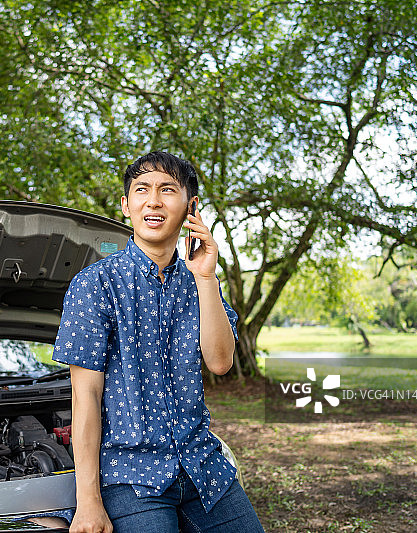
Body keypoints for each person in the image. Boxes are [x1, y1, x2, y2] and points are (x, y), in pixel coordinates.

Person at [53, 152, 264, 533]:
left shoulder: (201, 284)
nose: (153, 201)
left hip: (203, 466)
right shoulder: (95, 284)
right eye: (141, 190)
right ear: (126, 205)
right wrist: (88, 502)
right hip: (131, 477)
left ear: (191, 206)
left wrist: (206, 278)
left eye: (168, 190)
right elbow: (86, 398)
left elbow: (220, 362)